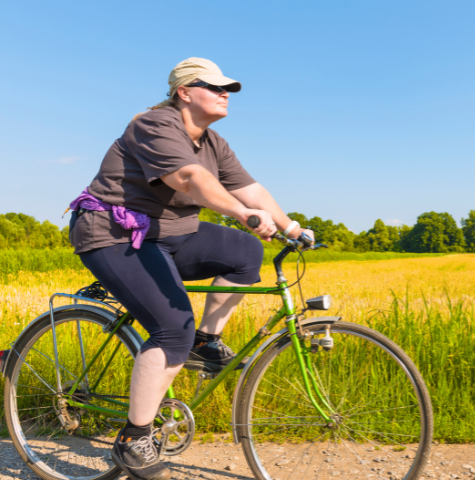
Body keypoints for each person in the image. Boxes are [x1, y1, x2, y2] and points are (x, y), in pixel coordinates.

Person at [68, 57, 313, 480]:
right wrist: (242, 213)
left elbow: (249, 188)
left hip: (169, 234)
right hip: (112, 234)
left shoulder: (214, 142)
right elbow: (188, 178)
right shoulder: (153, 125)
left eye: (229, 90)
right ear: (184, 92)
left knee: (244, 253)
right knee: (170, 327)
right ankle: (134, 438)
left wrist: (290, 226)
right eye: (215, 87)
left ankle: (205, 342)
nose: (225, 94)